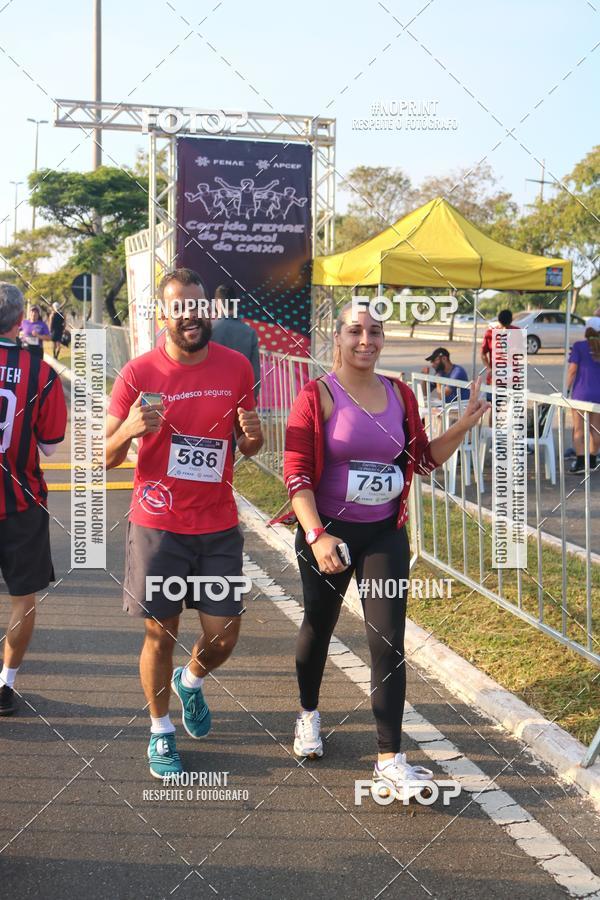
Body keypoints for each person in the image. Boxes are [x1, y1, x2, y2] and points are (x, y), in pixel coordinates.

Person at [281, 301, 488, 801]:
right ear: (339, 336)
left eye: (375, 331)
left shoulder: (399, 393)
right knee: (318, 626)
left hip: (384, 535)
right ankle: (308, 713)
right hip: (328, 532)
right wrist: (316, 534)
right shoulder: (318, 395)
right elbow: (297, 475)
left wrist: (462, 425)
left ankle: (389, 760)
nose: (366, 341)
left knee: (388, 640)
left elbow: (421, 459)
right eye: (355, 331)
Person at [106, 267, 263, 779]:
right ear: (164, 314)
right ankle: (160, 732)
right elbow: (101, 456)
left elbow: (247, 443)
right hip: (159, 523)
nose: (191, 314)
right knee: (161, 632)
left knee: (225, 635)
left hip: (216, 522)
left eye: (198, 305)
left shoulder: (237, 367)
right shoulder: (137, 374)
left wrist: (254, 438)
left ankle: (190, 681)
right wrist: (128, 428)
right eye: (179, 307)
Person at [0, 283, 67, 716]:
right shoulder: (41, 372)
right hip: (20, 502)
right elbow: (50, 445)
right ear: (20, 318)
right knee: (23, 598)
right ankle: (4, 684)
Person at [211, 283, 261, 399]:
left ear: (217, 304)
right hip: (241, 398)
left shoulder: (208, 330)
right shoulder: (250, 333)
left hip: (213, 396)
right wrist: (252, 399)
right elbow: (255, 372)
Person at [566, 316, 600, 474]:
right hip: (598, 394)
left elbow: (572, 370)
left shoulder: (579, 346)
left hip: (581, 394)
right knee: (595, 429)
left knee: (579, 429)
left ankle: (580, 463)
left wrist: (565, 389)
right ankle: (593, 461)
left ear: (586, 330)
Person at [480, 309, 517, 385]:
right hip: (493, 379)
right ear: (499, 321)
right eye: (503, 326)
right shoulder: (490, 333)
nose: (505, 329)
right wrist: (488, 368)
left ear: (511, 321)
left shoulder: (517, 332)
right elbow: (483, 354)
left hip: (511, 380)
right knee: (491, 396)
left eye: (507, 327)